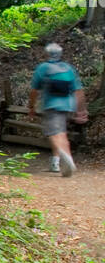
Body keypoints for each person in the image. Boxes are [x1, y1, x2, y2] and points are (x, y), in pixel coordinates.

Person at [28, 43, 87, 176]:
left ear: (47, 54)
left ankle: (66, 158)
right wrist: (80, 110)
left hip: (51, 105)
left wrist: (31, 106)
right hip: (68, 105)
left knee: (54, 133)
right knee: (61, 132)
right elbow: (78, 91)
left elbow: (34, 91)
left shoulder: (43, 68)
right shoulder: (68, 68)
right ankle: (58, 161)